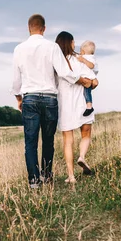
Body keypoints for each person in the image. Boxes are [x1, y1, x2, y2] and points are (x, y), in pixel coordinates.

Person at [11, 14, 93, 189]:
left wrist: (19, 98)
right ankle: (47, 177)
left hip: (30, 98)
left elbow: (15, 79)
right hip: (49, 99)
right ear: (44, 28)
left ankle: (34, 180)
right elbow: (64, 72)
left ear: (28, 28)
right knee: (48, 140)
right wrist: (82, 80)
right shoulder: (52, 47)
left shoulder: (19, 49)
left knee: (30, 141)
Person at [55, 31, 99, 184]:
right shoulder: (78, 59)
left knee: (68, 140)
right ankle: (82, 156)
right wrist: (92, 82)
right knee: (86, 133)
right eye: (74, 42)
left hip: (65, 104)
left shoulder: (57, 61)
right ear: (71, 43)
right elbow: (91, 79)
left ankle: (71, 176)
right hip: (82, 102)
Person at [77, 41, 99, 117]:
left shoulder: (90, 58)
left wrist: (83, 60)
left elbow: (91, 66)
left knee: (87, 92)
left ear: (83, 51)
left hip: (89, 78)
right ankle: (88, 106)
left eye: (80, 51)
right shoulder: (86, 57)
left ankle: (89, 106)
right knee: (86, 92)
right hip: (87, 77)